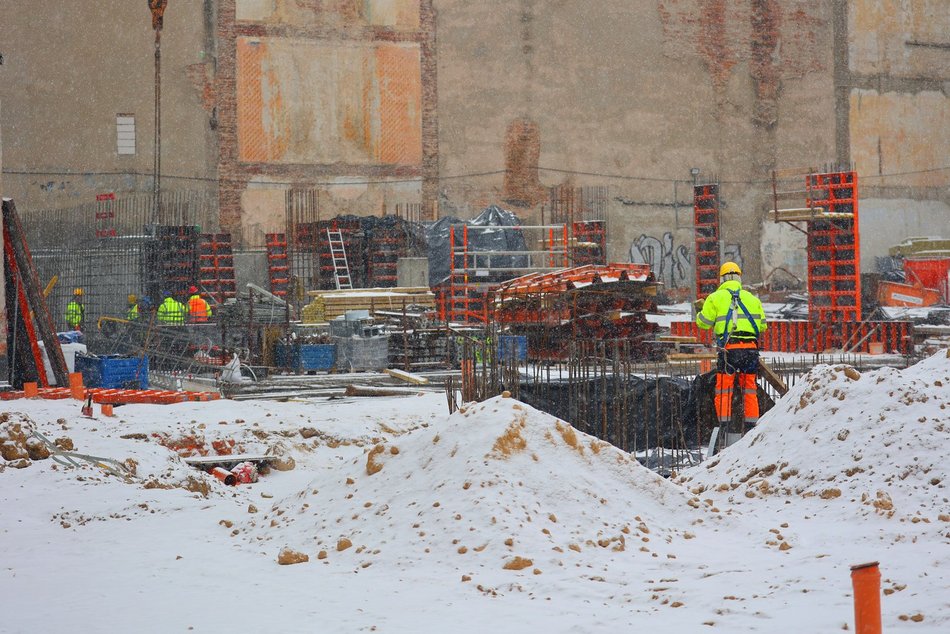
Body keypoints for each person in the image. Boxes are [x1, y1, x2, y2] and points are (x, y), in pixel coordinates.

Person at [695, 261, 768, 431]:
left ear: (722, 279)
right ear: (739, 278)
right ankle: (751, 427)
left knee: (724, 389)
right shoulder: (752, 298)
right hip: (750, 350)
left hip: (729, 351)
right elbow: (763, 325)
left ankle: (724, 427)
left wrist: (700, 309)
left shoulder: (715, 297)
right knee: (749, 388)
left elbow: (703, 323)